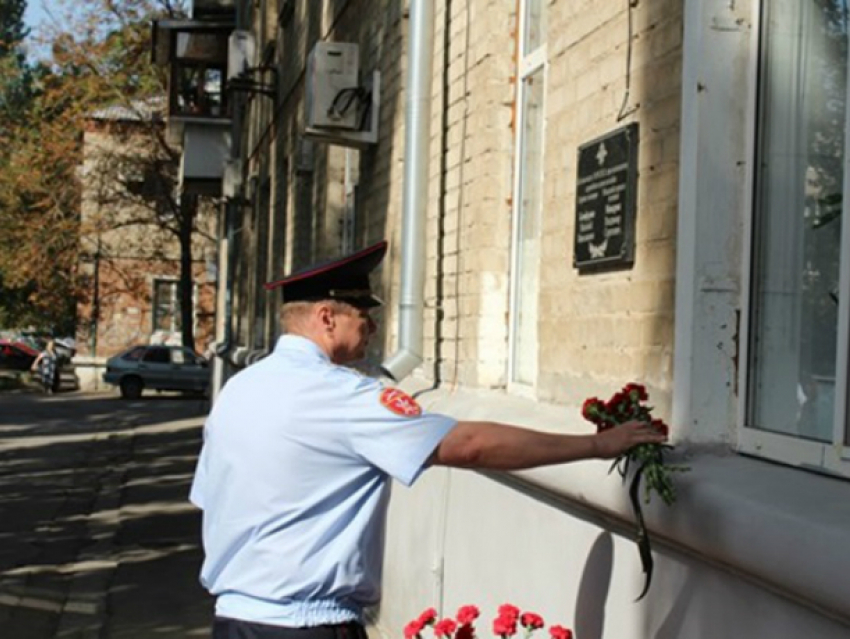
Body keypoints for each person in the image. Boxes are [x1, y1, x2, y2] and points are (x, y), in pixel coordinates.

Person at [190, 240, 666, 639]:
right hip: (304, 627)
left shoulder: (239, 390)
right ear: (326, 317)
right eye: (364, 316)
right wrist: (595, 445)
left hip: (233, 621)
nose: (373, 330)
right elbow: (470, 444)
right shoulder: (345, 395)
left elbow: (210, 498)